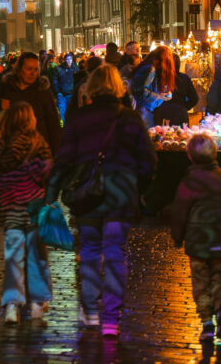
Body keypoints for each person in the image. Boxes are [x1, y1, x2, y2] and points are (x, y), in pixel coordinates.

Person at [45, 65, 157, 338]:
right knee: (116, 253)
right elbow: (148, 161)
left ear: (91, 88)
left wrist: (52, 193)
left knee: (91, 251)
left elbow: (64, 159)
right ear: (119, 87)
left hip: (88, 197)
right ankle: (111, 315)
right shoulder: (131, 119)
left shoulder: (79, 119)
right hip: (121, 195)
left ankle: (90, 310)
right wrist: (137, 188)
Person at [169, 133, 221, 342]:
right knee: (217, 275)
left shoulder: (189, 182)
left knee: (200, 281)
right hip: (220, 240)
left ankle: (207, 323)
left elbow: (179, 213)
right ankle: (220, 309)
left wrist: (177, 237)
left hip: (197, 242)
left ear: (190, 156)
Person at [0, 101, 53, 324]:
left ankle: (12, 306)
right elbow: (47, 173)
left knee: (13, 257)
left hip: (11, 209)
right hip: (33, 208)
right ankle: (37, 302)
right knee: (37, 255)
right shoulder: (38, 143)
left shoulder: (1, 146)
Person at [0, 52, 62, 153]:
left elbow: (52, 122)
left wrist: (55, 152)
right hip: (11, 150)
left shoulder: (42, 90)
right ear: (19, 69)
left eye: (36, 69)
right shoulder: (4, 88)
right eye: (29, 69)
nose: (33, 73)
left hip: (37, 151)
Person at [131, 45, 176, 127]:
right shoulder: (150, 68)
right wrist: (158, 96)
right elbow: (142, 91)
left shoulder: (149, 66)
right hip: (143, 109)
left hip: (144, 109)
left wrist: (160, 96)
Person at [51, 52, 79, 119]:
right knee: (63, 113)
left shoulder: (75, 68)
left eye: (70, 59)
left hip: (72, 94)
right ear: (64, 60)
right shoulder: (59, 69)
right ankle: (64, 127)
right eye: (67, 59)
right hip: (62, 95)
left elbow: (78, 80)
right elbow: (55, 81)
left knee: (71, 113)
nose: (69, 61)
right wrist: (58, 92)